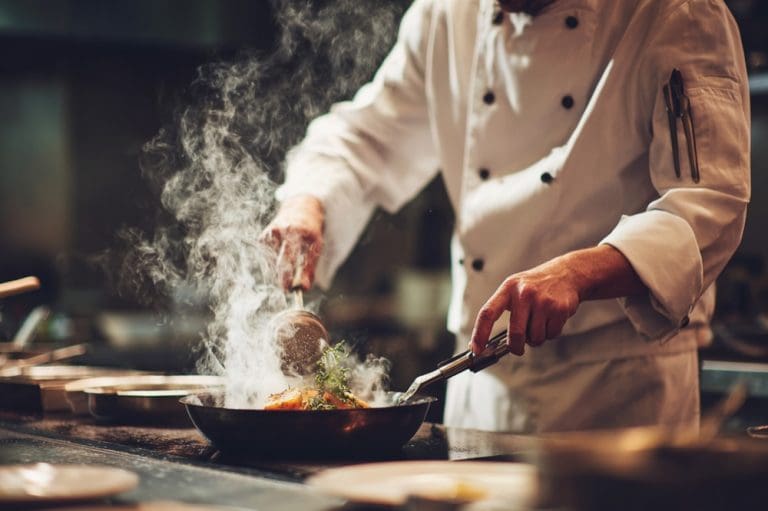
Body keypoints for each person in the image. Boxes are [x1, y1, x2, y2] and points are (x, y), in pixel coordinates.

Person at [263, 0, 750, 433]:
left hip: (615, 390)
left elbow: (710, 203)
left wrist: (580, 272)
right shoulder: (446, 13)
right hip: (479, 382)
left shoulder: (676, 12)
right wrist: (309, 198)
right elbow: (366, 136)